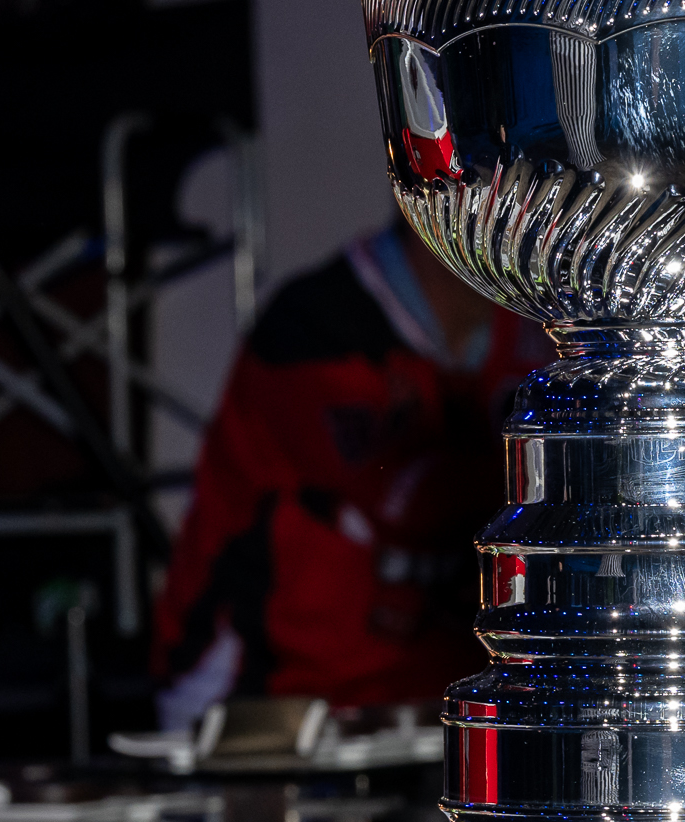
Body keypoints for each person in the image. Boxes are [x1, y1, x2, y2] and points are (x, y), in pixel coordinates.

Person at [151, 219, 542, 725]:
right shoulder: (314, 329)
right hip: (259, 705)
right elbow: (416, 498)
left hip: (428, 702)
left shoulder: (529, 329)